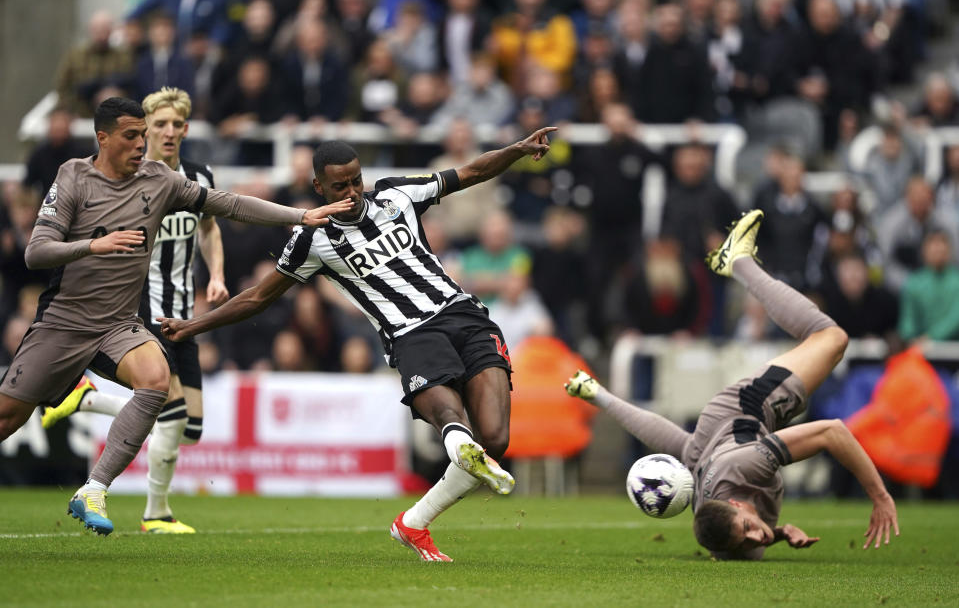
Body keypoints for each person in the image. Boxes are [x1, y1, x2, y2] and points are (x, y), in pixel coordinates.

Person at [157, 126, 558, 561]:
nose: (351, 192)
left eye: (355, 181)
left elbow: (472, 170)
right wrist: (193, 326)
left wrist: (515, 150)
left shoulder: (397, 196)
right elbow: (257, 297)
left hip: (465, 316)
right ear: (318, 186)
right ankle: (455, 445)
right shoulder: (313, 238)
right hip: (410, 333)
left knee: (495, 440)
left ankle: (415, 521)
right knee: (452, 420)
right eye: (339, 185)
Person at [0, 96, 352, 536]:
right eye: (131, 136)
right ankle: (86, 406)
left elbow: (229, 205)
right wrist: (94, 245)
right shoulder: (73, 176)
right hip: (64, 322)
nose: (141, 144)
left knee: (155, 380)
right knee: (8, 418)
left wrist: (301, 215)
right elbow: (37, 252)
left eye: (142, 136)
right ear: (102, 137)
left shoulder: (159, 180)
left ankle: (93, 489)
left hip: (118, 324)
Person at [565, 209, 899, 559]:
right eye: (749, 538)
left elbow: (832, 432)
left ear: (735, 502)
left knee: (831, 338)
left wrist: (879, 496)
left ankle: (737, 261)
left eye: (748, 528)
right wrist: (779, 533)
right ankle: (596, 392)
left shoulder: (748, 466)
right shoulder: (717, 529)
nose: (757, 537)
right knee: (690, 450)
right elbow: (682, 447)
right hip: (711, 443)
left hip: (748, 406)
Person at [40, 87, 227, 534]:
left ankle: (86, 399)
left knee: (190, 427)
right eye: (157, 124)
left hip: (185, 312)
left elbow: (210, 228)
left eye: (175, 124)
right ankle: (155, 513)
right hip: (144, 309)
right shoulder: (135, 178)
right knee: (170, 409)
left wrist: (217, 274)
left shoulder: (198, 175)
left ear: (185, 128)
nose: (167, 132)